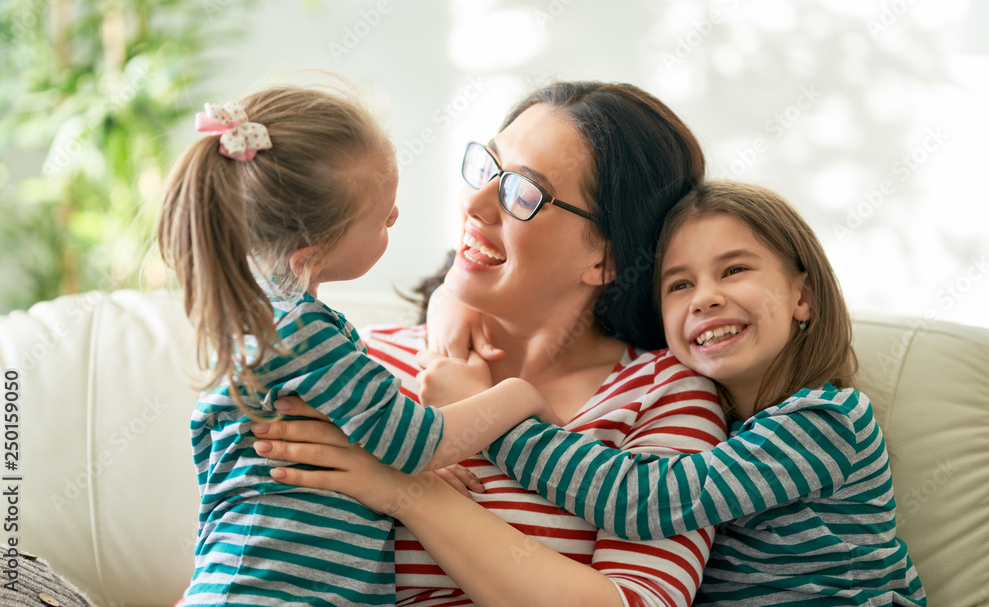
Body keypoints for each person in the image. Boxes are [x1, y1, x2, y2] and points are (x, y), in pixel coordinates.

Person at [250, 81, 729, 606]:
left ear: (607, 258)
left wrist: (409, 492)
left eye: (523, 192)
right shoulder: (351, 360)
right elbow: (249, 553)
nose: (475, 204)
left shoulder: (660, 395)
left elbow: (639, 600)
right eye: (487, 167)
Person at [157, 83, 561, 607]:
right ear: (308, 256)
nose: (395, 219)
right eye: (382, 218)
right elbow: (419, 441)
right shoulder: (302, 332)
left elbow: (367, 439)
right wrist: (518, 395)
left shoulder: (260, 326)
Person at [451, 181, 929, 605]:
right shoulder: (707, 422)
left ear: (802, 297)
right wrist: (455, 302)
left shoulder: (828, 420)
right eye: (679, 284)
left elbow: (644, 501)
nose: (704, 298)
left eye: (734, 269)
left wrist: (494, 423)